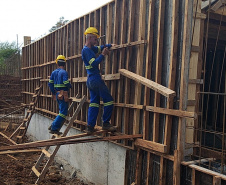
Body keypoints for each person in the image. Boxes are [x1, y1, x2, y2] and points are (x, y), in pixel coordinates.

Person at [82, 27, 116, 134]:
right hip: (95, 78)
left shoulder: (90, 49)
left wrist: (109, 46)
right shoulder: (86, 51)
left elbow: (99, 48)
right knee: (109, 100)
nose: (96, 41)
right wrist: (103, 55)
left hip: (90, 80)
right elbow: (94, 63)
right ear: (90, 37)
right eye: (95, 39)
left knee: (94, 103)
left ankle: (90, 127)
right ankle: (106, 123)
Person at [48, 55, 72, 135]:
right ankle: (54, 128)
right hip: (63, 94)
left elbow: (50, 84)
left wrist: (53, 92)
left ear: (57, 63)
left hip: (57, 93)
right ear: (64, 63)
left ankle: (53, 125)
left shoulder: (53, 72)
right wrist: (70, 86)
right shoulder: (64, 72)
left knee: (61, 111)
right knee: (63, 112)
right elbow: (65, 82)